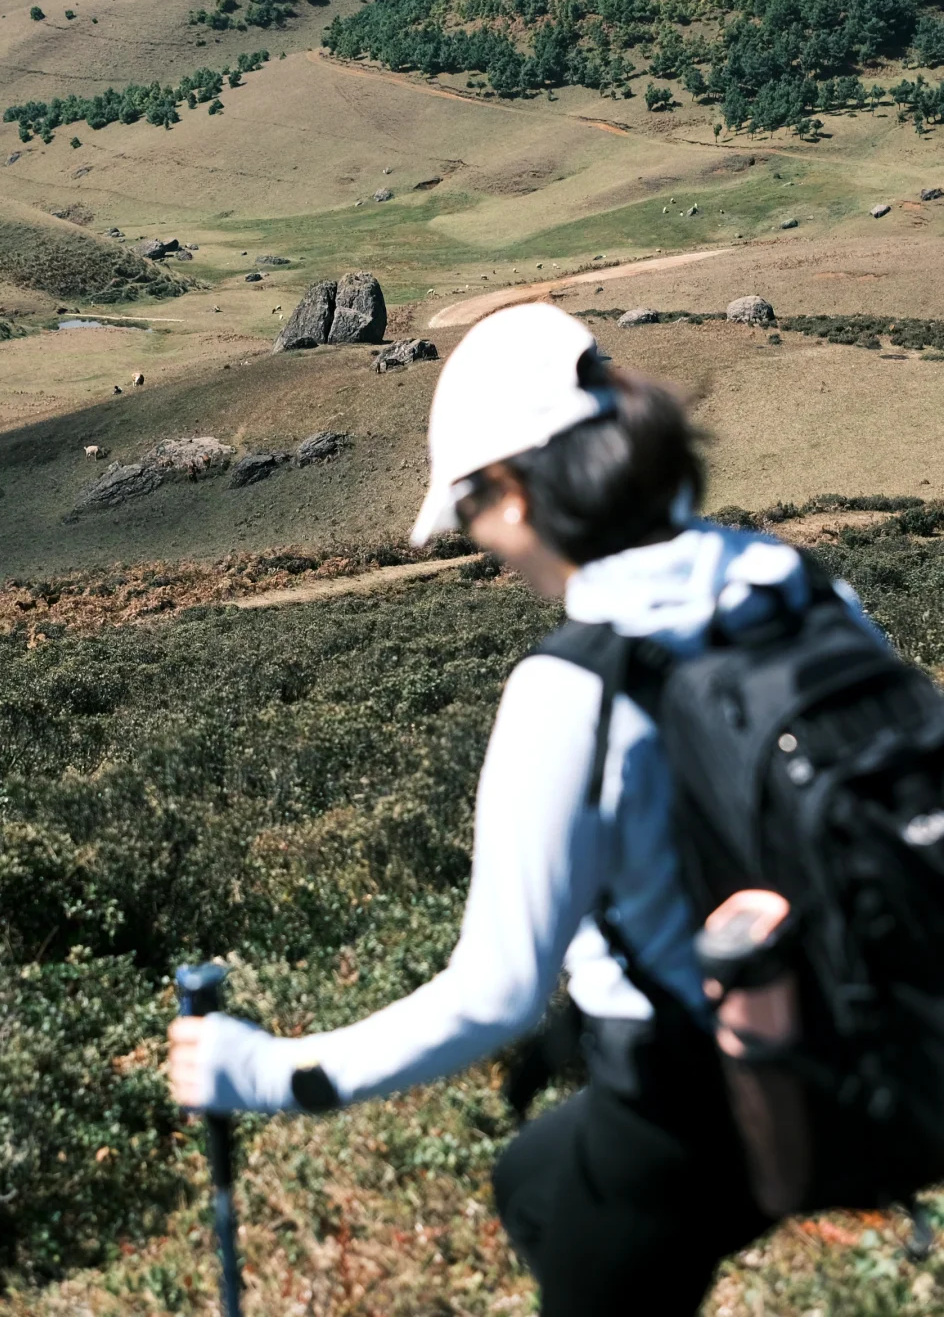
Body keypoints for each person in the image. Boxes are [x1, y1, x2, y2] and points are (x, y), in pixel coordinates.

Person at [169, 302, 869, 1314]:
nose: (486, 554)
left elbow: (493, 995)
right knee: (532, 1178)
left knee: (583, 1223)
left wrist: (271, 1073)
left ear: (511, 492)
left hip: (697, 1099)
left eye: (470, 519)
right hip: (865, 1024)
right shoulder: (798, 580)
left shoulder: (569, 690)